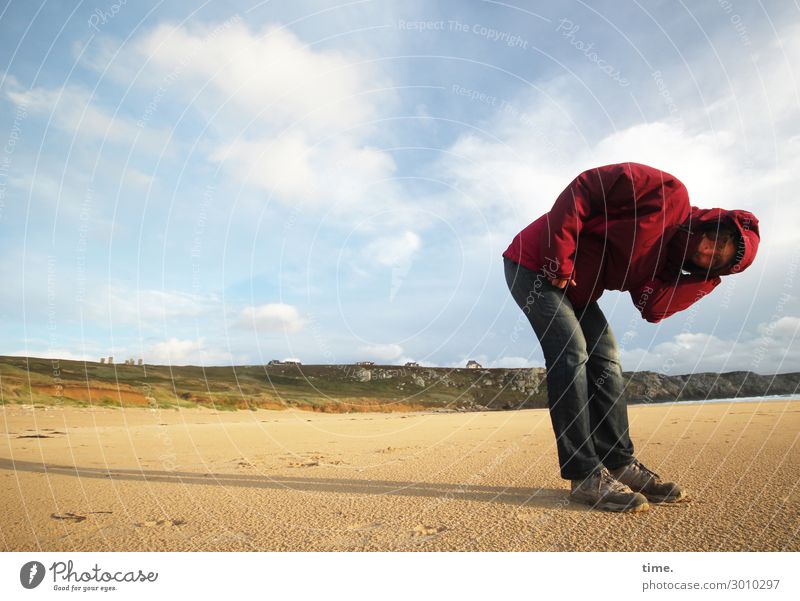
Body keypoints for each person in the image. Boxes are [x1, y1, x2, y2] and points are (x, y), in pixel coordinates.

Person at [502, 162, 760, 513]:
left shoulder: (667, 266)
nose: (708, 251)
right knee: (570, 350)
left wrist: (706, 282)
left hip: (577, 291)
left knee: (607, 355)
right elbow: (585, 186)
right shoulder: (667, 193)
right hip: (534, 262)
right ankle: (584, 475)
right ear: (716, 223)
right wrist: (559, 259)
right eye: (719, 239)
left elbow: (653, 308)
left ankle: (620, 462)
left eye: (717, 259)